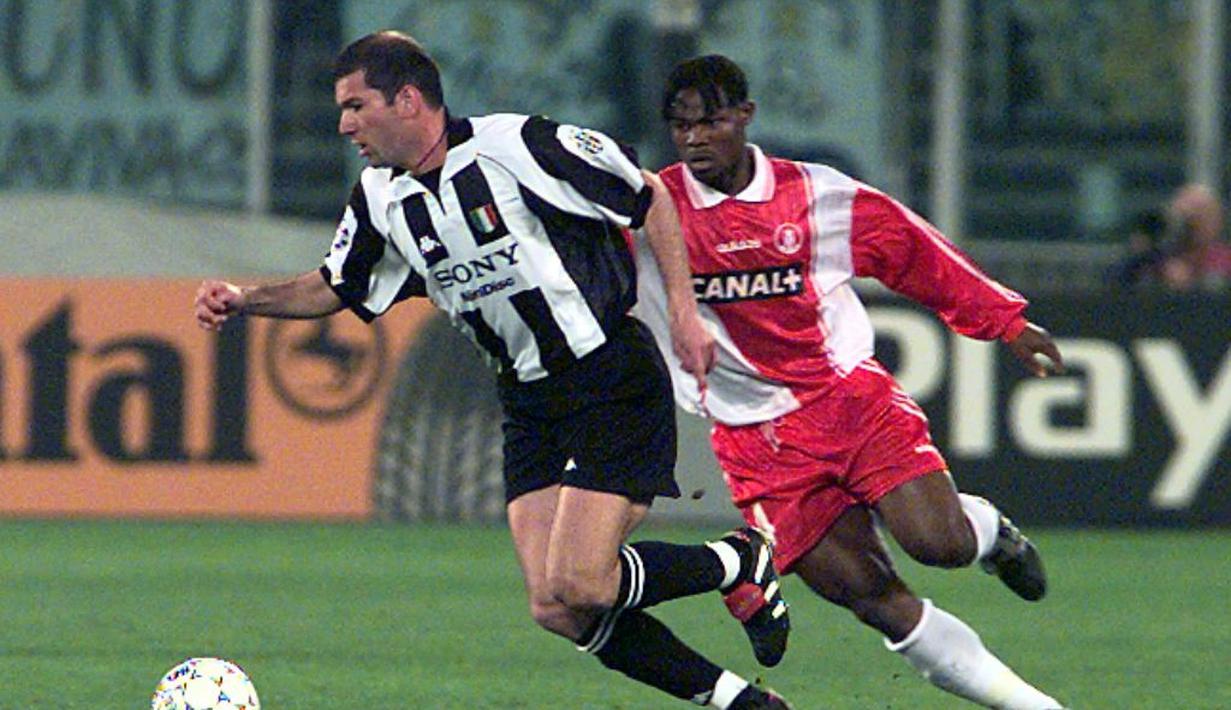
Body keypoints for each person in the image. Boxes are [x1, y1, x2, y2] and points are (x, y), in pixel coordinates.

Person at [194, 33, 793, 709]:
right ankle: (742, 704)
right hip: (525, 401)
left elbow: (648, 196)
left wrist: (684, 315)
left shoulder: (518, 147)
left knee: (585, 582)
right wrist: (245, 301)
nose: (343, 125)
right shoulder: (379, 199)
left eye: (356, 105)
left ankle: (735, 559)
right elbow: (335, 285)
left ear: (408, 99)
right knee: (555, 605)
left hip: (607, 378)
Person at [634, 54, 1067, 709]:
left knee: (937, 545)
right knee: (869, 597)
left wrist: (1006, 323)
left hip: (846, 402)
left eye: (711, 122)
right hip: (753, 439)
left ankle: (985, 530)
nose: (695, 139)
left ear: (745, 118)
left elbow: (914, 253)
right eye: (680, 127)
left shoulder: (812, 196)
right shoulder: (652, 212)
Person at [1157, 183, 1231, 291]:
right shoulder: (1157, 259)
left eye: (1203, 215)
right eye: (1187, 217)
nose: (1194, 224)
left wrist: (1193, 283)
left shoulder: (1226, 260)